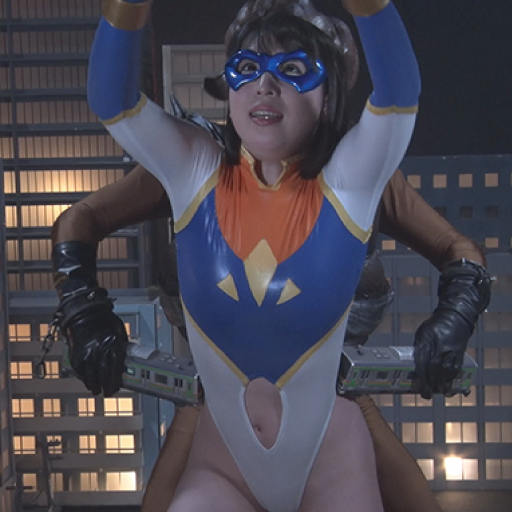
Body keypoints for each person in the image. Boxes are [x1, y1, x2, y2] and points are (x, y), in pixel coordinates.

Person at [62, 0, 424, 510]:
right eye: (247, 68)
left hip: (331, 461)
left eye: (293, 70)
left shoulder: (349, 182)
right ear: (229, 90)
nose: (264, 85)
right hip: (223, 463)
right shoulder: (194, 170)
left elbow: (399, 96)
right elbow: (111, 101)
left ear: (328, 96)